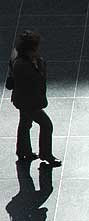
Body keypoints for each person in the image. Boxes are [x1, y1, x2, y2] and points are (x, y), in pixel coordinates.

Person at [10, 30, 61, 166]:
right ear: (30, 49)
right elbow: (36, 80)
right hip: (28, 102)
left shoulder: (23, 59)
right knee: (46, 124)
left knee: (25, 124)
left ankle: (23, 151)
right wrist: (41, 67)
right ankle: (46, 154)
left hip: (23, 100)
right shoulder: (23, 65)